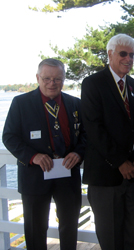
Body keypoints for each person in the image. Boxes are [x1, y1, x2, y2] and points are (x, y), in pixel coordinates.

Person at [2, 58, 86, 250]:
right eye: (47, 78)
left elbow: (86, 135)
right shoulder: (21, 103)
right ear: (37, 78)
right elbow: (9, 137)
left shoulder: (75, 104)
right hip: (34, 176)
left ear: (64, 79)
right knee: (35, 229)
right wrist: (33, 156)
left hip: (67, 175)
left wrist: (79, 153)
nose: (52, 83)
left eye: (57, 79)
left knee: (69, 227)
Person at [81, 33, 134, 250]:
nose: (129, 59)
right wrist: (121, 161)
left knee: (131, 237)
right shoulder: (93, 84)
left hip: (132, 177)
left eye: (132, 55)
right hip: (106, 176)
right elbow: (94, 128)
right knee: (111, 239)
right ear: (110, 54)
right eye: (123, 54)